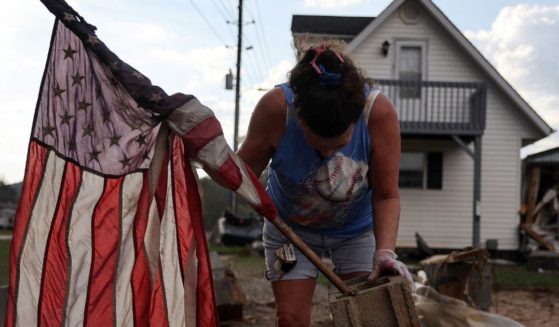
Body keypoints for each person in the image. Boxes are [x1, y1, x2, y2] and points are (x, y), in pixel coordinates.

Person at [237, 43, 413, 326]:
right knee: (290, 319)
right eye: (317, 145)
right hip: (290, 229)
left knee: (366, 317)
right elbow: (241, 175)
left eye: (339, 145)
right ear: (300, 117)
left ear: (356, 119)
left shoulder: (378, 115)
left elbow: (386, 194)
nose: (328, 155)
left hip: (355, 230)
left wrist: (385, 251)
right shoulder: (276, 110)